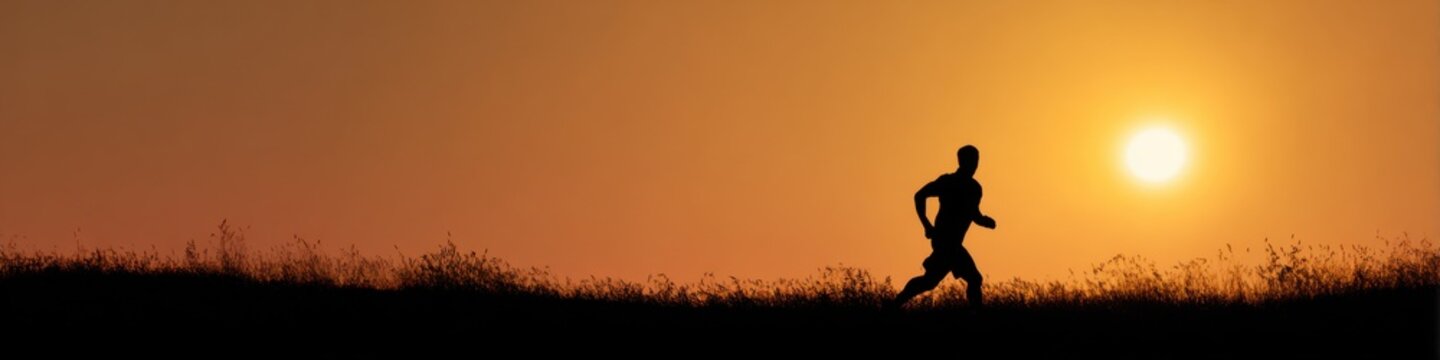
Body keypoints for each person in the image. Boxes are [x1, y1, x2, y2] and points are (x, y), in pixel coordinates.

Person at [888, 145, 996, 309]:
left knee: (929, 281)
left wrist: (985, 221)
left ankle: (894, 304)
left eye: (976, 161)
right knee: (974, 279)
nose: (974, 165)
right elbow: (919, 195)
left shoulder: (975, 188)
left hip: (953, 243)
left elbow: (973, 214)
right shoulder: (947, 182)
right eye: (971, 160)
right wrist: (926, 225)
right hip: (944, 241)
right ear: (961, 161)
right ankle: (977, 317)